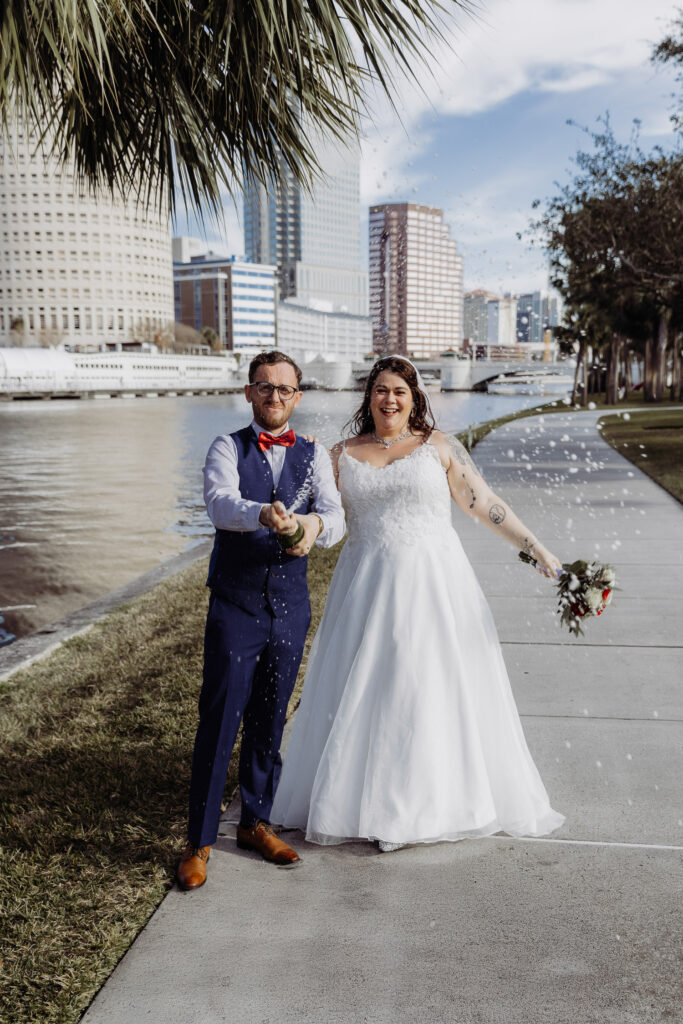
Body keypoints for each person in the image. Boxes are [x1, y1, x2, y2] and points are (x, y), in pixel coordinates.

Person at [271, 356, 565, 851]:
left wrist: (537, 548)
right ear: (369, 397)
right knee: (368, 689)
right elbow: (321, 517)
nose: (389, 399)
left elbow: (486, 505)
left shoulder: (439, 449)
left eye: (399, 392)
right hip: (365, 587)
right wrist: (292, 527)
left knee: (425, 687)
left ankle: (426, 802)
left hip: (434, 584)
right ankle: (357, 800)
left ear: (414, 399)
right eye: (381, 390)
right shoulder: (340, 455)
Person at [177, 351, 345, 889]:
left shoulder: (314, 453)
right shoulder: (226, 446)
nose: (274, 397)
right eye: (264, 387)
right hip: (237, 604)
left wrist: (315, 527)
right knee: (221, 718)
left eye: (284, 389)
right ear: (249, 393)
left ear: (298, 397)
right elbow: (220, 504)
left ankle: (254, 822)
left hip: (291, 607)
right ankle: (199, 840)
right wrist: (263, 515)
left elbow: (336, 514)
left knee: (271, 719)